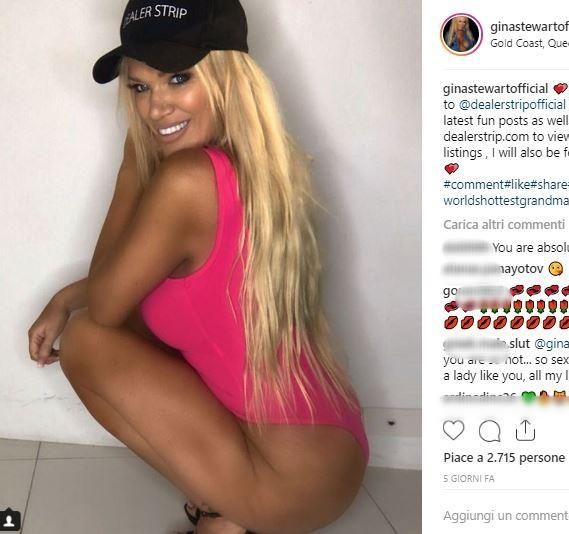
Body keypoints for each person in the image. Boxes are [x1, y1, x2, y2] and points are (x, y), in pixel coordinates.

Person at [26, 1, 369, 533]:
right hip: (331, 451)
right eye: (139, 87)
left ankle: (221, 514)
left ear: (227, 77)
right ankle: (228, 505)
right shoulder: (257, 167)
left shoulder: (187, 179)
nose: (155, 107)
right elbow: (132, 281)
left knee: (90, 340)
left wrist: (132, 163)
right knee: (134, 317)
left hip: (289, 482)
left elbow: (109, 306)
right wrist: (64, 296)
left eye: (178, 78)